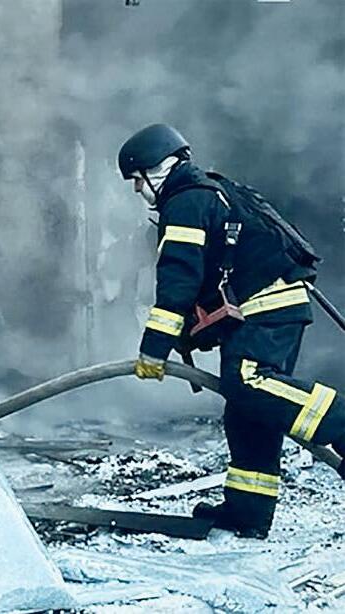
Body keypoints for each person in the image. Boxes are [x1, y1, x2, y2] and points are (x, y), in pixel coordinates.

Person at [118, 123, 345, 538]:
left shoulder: (186, 202)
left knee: (247, 382)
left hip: (266, 306)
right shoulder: (212, 190)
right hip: (276, 304)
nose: (137, 189)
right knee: (246, 412)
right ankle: (247, 515)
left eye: (137, 179)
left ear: (157, 168)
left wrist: (154, 349)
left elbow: (179, 280)